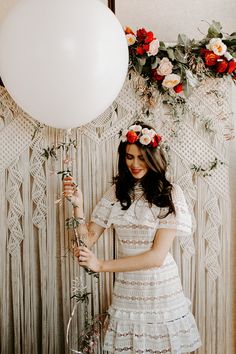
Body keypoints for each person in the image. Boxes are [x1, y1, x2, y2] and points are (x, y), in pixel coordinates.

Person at [64, 121, 202, 354]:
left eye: (141, 157)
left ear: (153, 156)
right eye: (129, 157)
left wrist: (100, 265)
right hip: (128, 291)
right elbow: (86, 240)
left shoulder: (170, 193)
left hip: (161, 290)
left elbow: (156, 257)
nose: (135, 164)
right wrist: (78, 207)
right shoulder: (116, 192)